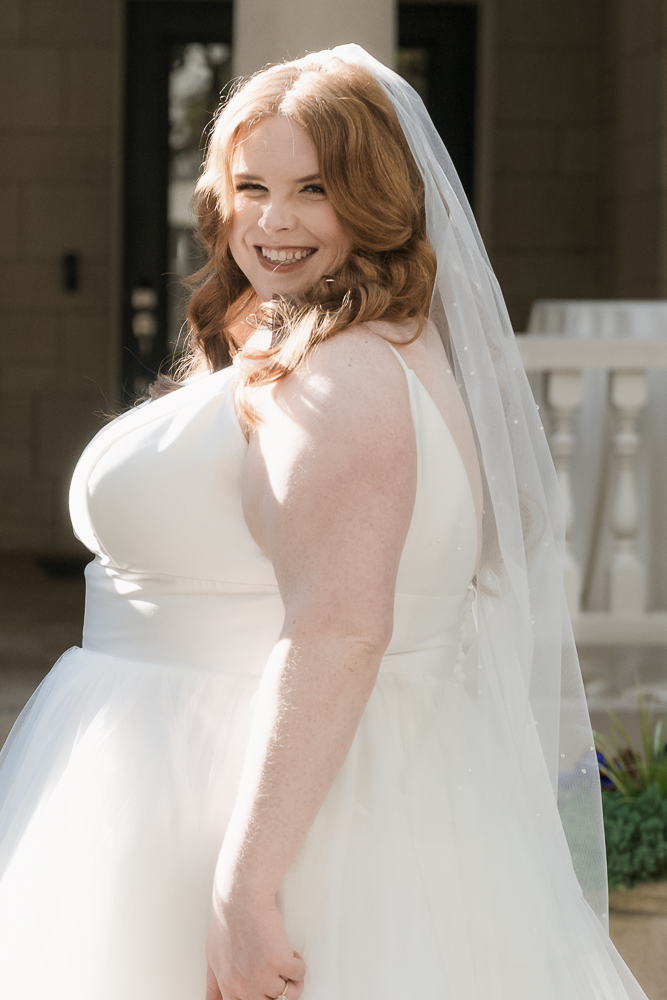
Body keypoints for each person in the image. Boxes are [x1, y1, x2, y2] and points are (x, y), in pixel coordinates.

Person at [0, 43, 649, 1000]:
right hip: (196, 772)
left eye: (314, 188)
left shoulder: (342, 374)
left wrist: (247, 884)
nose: (273, 220)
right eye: (250, 184)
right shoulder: (349, 346)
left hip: (251, 804)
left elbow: (340, 628)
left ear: (378, 199)